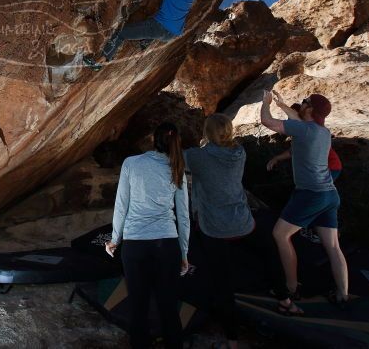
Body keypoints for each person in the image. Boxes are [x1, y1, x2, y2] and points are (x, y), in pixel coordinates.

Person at [185, 114, 295, 346]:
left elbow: (174, 161)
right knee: (269, 254)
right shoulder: (239, 153)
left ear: (207, 134)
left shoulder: (197, 157)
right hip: (243, 222)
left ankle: (232, 339)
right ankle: (285, 298)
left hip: (213, 227)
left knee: (221, 283)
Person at [260, 90, 350, 311]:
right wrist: (282, 104)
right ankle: (343, 294)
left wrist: (266, 103)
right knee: (333, 246)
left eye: (306, 102)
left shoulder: (304, 130)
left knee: (280, 234)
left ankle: (290, 288)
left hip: (311, 194)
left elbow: (267, 121)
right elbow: (298, 118)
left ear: (310, 109)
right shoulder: (323, 131)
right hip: (330, 194)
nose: (302, 103)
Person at [105, 122, 190, 348]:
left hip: (135, 245)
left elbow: (121, 204)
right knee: (169, 308)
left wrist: (115, 239)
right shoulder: (177, 166)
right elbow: (183, 215)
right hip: (167, 244)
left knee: (138, 308)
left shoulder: (132, 163)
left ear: (154, 140)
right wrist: (184, 252)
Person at [83, 0, 198, 71]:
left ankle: (100, 61)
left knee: (121, 34)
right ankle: (145, 41)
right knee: (151, 18)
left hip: (158, 27)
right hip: (173, 33)